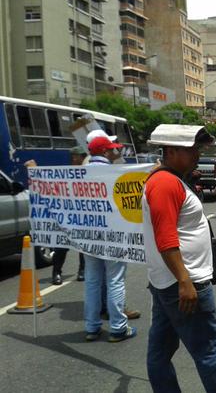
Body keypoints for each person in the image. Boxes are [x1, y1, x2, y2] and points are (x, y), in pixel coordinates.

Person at [141, 125, 216, 392]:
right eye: (191, 149)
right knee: (209, 353)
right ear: (170, 151)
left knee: (160, 351)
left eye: (197, 149)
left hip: (168, 283)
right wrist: (184, 281)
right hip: (184, 284)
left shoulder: (168, 179)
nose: (196, 155)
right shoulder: (165, 183)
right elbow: (166, 239)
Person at [83, 134, 136, 342]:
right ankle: (118, 327)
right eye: (113, 149)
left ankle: (92, 327)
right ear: (104, 152)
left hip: (87, 235)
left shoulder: (80, 174)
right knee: (115, 280)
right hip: (113, 235)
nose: (116, 152)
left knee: (92, 281)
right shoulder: (114, 172)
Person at [51, 146, 87, 285]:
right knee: (62, 244)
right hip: (67, 215)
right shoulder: (65, 173)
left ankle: (82, 271)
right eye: (78, 156)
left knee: (83, 244)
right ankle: (56, 272)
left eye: (80, 156)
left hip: (83, 214)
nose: (78, 158)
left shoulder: (87, 172)